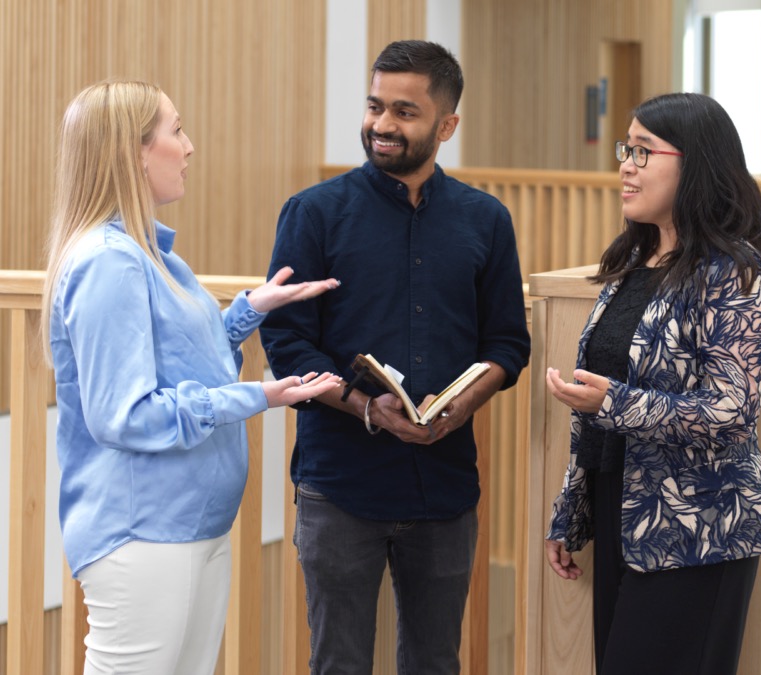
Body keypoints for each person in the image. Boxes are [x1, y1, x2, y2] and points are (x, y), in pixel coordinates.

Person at [42, 80, 342, 675]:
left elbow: (181, 359)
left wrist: (249, 311)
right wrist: (258, 395)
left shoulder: (152, 253)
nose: (189, 146)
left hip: (193, 525)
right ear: (134, 152)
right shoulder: (109, 263)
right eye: (175, 130)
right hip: (143, 531)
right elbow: (123, 415)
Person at [259, 40, 530, 674]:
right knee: (339, 664)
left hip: (446, 489)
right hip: (339, 485)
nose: (382, 125)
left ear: (447, 125)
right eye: (375, 106)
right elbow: (286, 344)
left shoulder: (486, 220)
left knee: (436, 663)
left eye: (404, 112)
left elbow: (507, 345)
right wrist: (366, 408)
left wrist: (468, 400)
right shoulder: (313, 214)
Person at [543, 92, 761, 675]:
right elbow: (602, 408)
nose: (625, 164)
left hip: (698, 524)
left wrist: (615, 402)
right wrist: (572, 510)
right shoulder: (637, 261)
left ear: (695, 163)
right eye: (627, 149)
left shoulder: (736, 271)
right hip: (622, 508)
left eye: (644, 151)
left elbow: (730, 409)